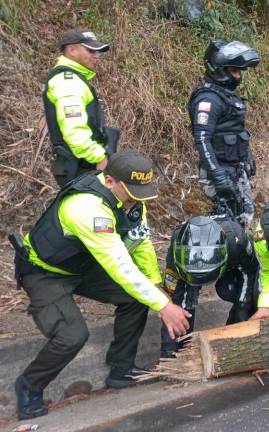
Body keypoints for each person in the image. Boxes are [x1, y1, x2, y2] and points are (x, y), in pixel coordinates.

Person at [8, 150, 190, 420]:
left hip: (85, 265)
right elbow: (119, 264)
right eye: (131, 191)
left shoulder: (133, 200)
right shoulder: (87, 208)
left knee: (136, 298)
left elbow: (141, 244)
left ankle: (121, 369)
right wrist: (163, 305)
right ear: (109, 181)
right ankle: (29, 385)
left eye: (141, 192)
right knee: (72, 336)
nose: (136, 200)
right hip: (46, 272)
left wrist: (156, 285)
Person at [160, 210, 259, 358]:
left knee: (240, 297)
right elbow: (174, 297)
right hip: (187, 268)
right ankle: (175, 353)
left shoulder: (237, 239)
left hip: (231, 264)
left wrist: (242, 309)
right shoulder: (178, 244)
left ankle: (235, 339)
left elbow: (250, 272)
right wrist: (170, 351)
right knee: (180, 306)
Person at [188, 39, 260, 226]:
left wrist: (246, 158)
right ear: (219, 70)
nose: (238, 77)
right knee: (230, 220)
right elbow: (202, 138)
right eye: (234, 71)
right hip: (219, 170)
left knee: (243, 216)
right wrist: (217, 175)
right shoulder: (208, 99)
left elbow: (236, 131)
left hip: (234, 168)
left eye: (239, 72)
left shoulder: (225, 95)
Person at [43, 28, 119, 187]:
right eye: (91, 50)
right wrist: (99, 157)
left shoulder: (72, 79)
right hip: (78, 166)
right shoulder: (68, 82)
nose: (96, 55)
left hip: (79, 164)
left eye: (98, 51)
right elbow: (74, 132)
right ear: (72, 50)